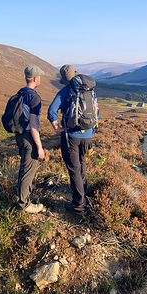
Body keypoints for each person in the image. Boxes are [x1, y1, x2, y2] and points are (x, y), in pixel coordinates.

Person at [47, 64, 98, 214]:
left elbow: (51, 112)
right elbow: (97, 113)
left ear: (64, 79)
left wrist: (56, 128)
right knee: (82, 163)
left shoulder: (65, 92)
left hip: (72, 137)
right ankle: (85, 193)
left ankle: (78, 205)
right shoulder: (89, 90)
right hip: (88, 135)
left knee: (74, 169)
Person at [14, 65, 46, 213]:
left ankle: (22, 192)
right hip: (29, 138)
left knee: (23, 168)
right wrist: (39, 146)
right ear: (35, 78)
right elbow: (33, 125)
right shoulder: (34, 97)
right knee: (28, 171)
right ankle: (24, 204)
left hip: (19, 136)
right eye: (39, 77)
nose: (40, 79)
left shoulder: (20, 93)